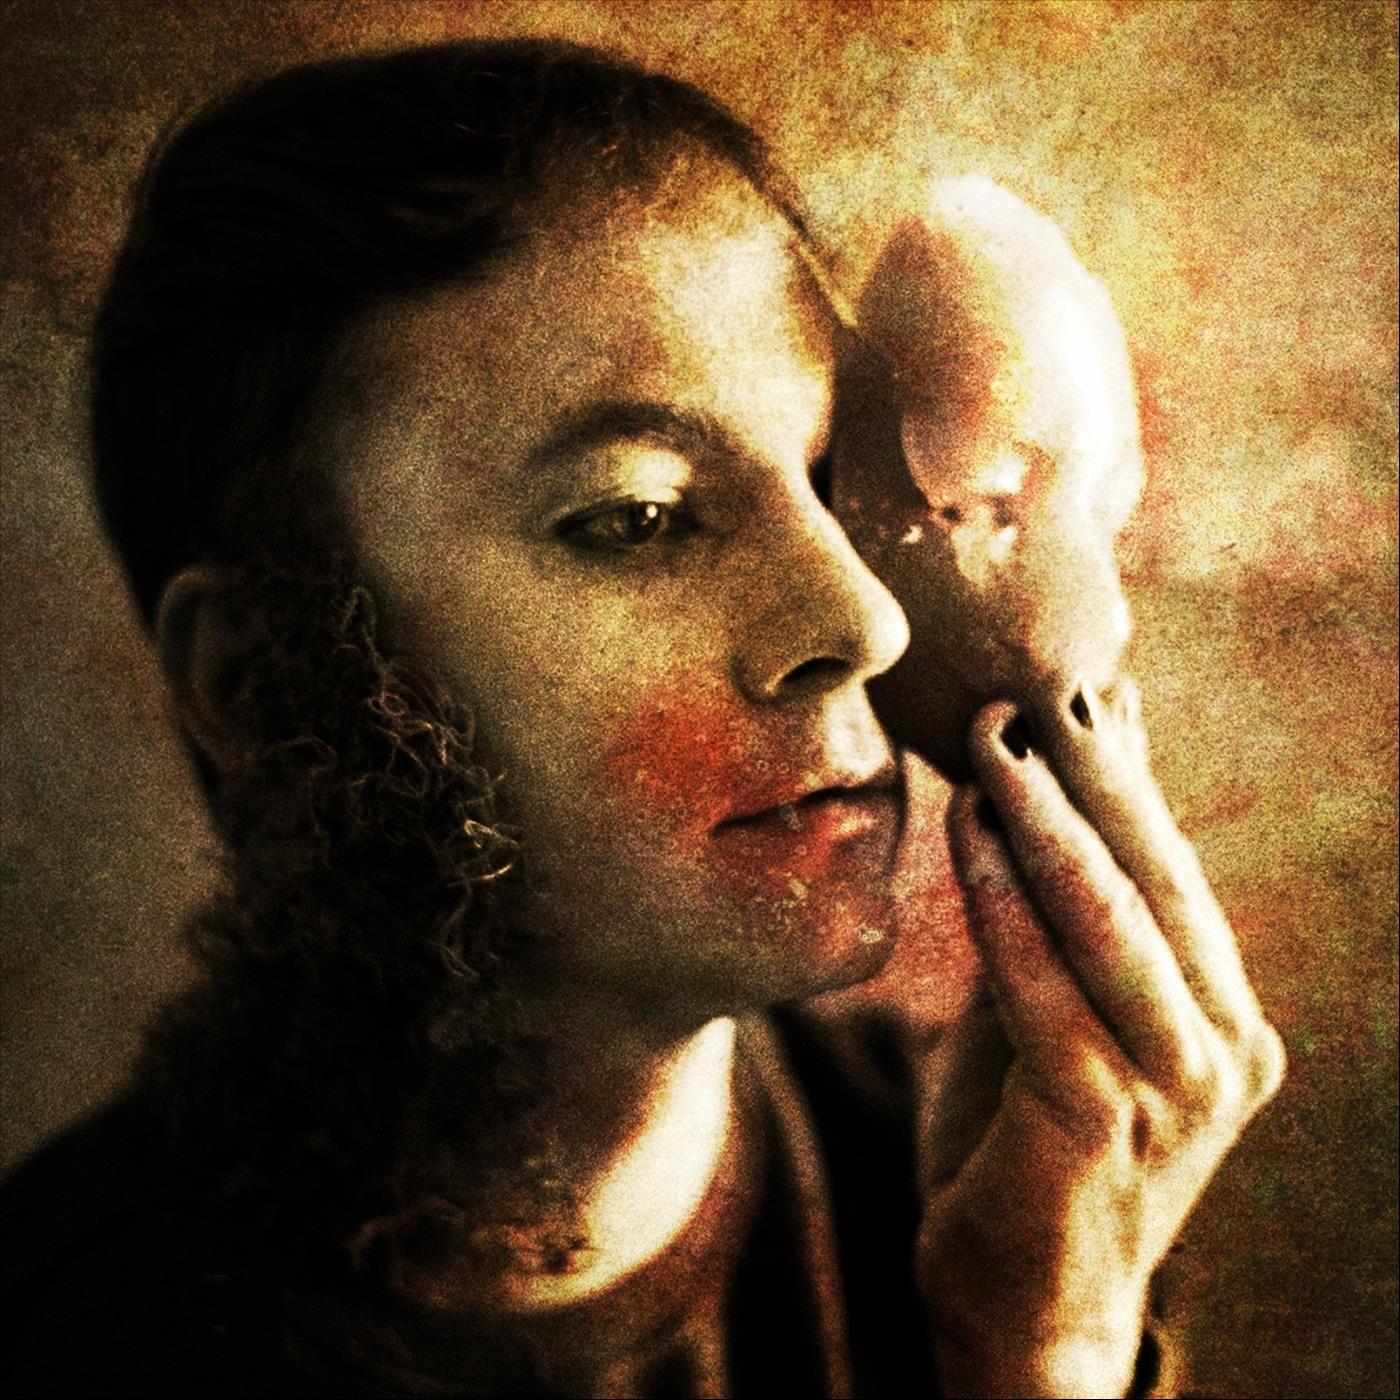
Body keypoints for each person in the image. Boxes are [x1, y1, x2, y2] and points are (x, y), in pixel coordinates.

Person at [0, 37, 1285, 1399]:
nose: (865, 620)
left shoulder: (995, 1186)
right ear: (260, 680)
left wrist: (1049, 1351)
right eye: (640, 517)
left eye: (830, 479)